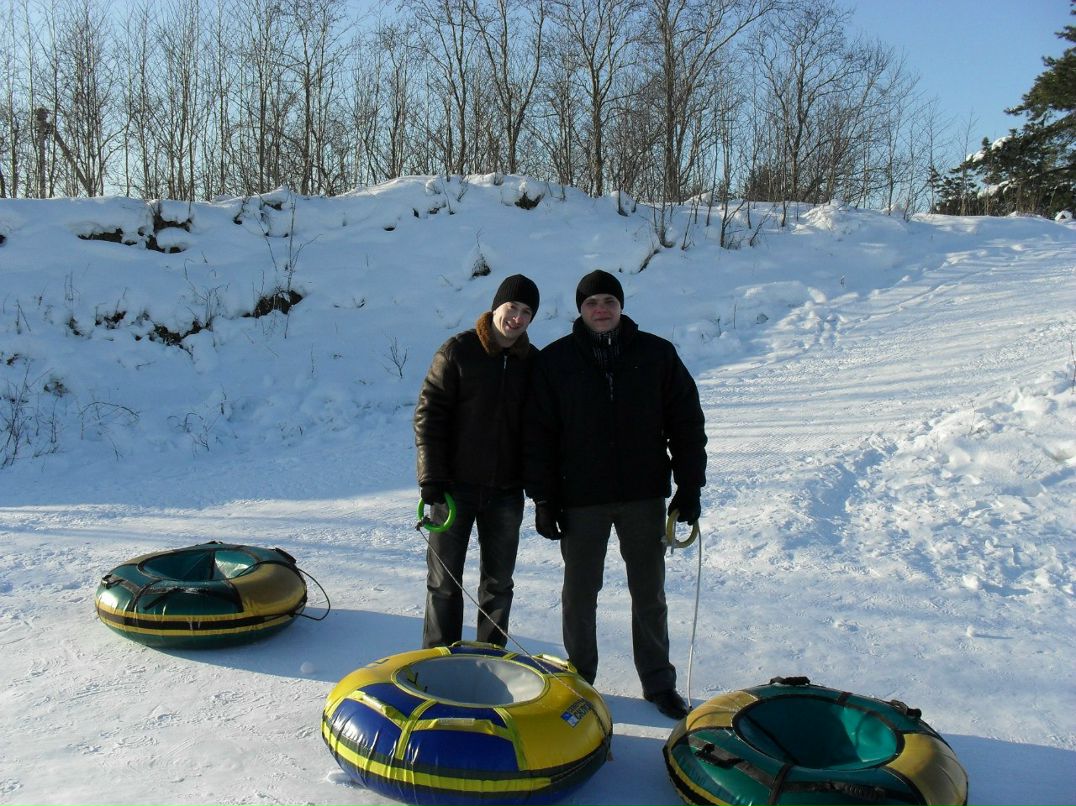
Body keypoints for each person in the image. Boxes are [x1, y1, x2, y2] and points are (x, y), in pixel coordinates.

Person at [524, 269, 706, 719]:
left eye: (608, 300)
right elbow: (538, 435)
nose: (600, 310)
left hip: (643, 496)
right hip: (580, 499)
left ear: (621, 306)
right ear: (580, 310)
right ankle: (579, 680)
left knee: (649, 592)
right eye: (591, 303)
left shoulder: (657, 354)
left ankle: (658, 682)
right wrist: (544, 499)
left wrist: (689, 486)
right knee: (579, 593)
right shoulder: (556, 360)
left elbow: (687, 423)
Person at [414, 274, 540, 649]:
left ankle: (490, 660)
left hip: (505, 493)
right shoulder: (458, 351)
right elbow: (428, 414)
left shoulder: (533, 363)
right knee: (444, 582)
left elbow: (541, 427)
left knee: (499, 585)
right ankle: (439, 661)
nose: (516, 318)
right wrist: (431, 476)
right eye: (511, 308)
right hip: (453, 490)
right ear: (496, 306)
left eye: (526, 312)